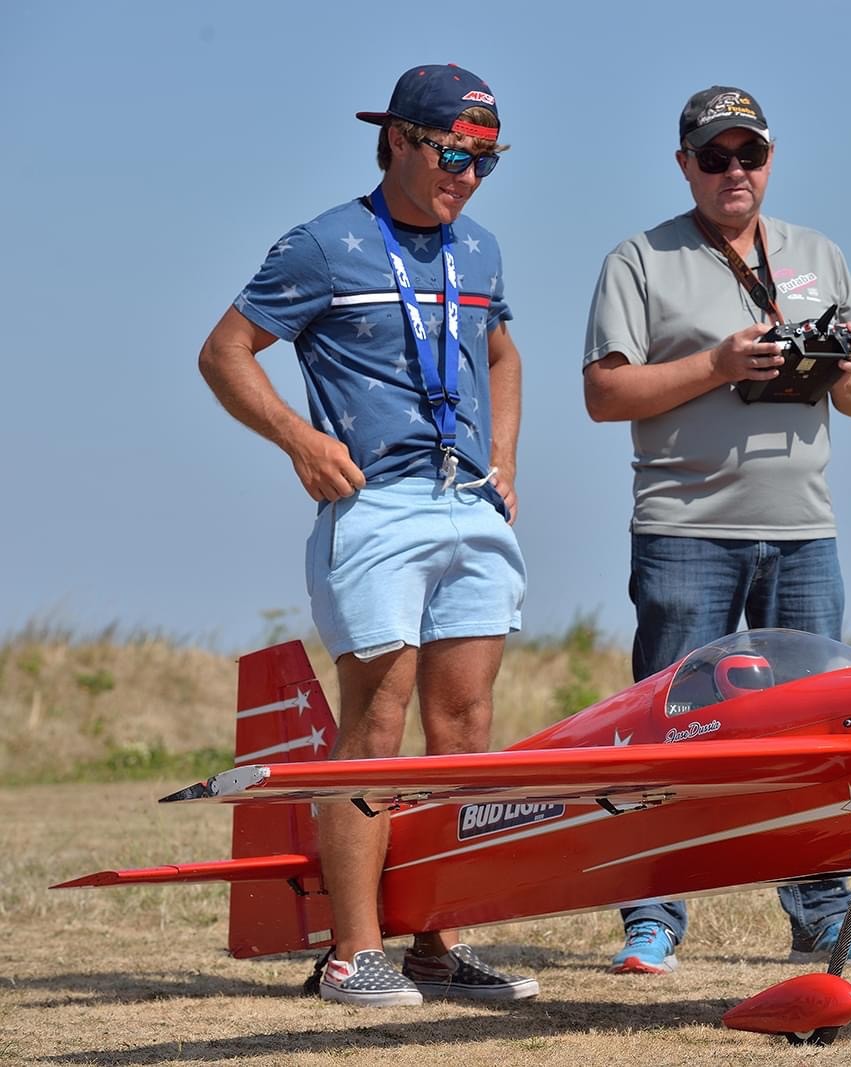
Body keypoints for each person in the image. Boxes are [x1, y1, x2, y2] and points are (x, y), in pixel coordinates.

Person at [197, 64, 537, 1007]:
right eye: (454, 154)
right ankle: (352, 953)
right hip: (377, 509)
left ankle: (439, 943)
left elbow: (502, 352)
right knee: (377, 725)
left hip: (470, 504)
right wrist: (297, 438)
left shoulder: (481, 251)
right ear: (397, 139)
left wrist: (505, 456)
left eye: (486, 161)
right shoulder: (324, 244)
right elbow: (223, 351)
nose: (468, 176)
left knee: (465, 727)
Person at [582, 86, 851, 975]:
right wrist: (720, 365)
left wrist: (825, 360)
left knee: (816, 730)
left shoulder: (816, 253)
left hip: (804, 531)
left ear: (770, 161)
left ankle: (823, 915)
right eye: (714, 157)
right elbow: (604, 396)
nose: (734, 173)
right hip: (686, 529)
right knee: (669, 723)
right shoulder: (640, 259)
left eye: (748, 155)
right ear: (684, 164)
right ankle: (652, 916)